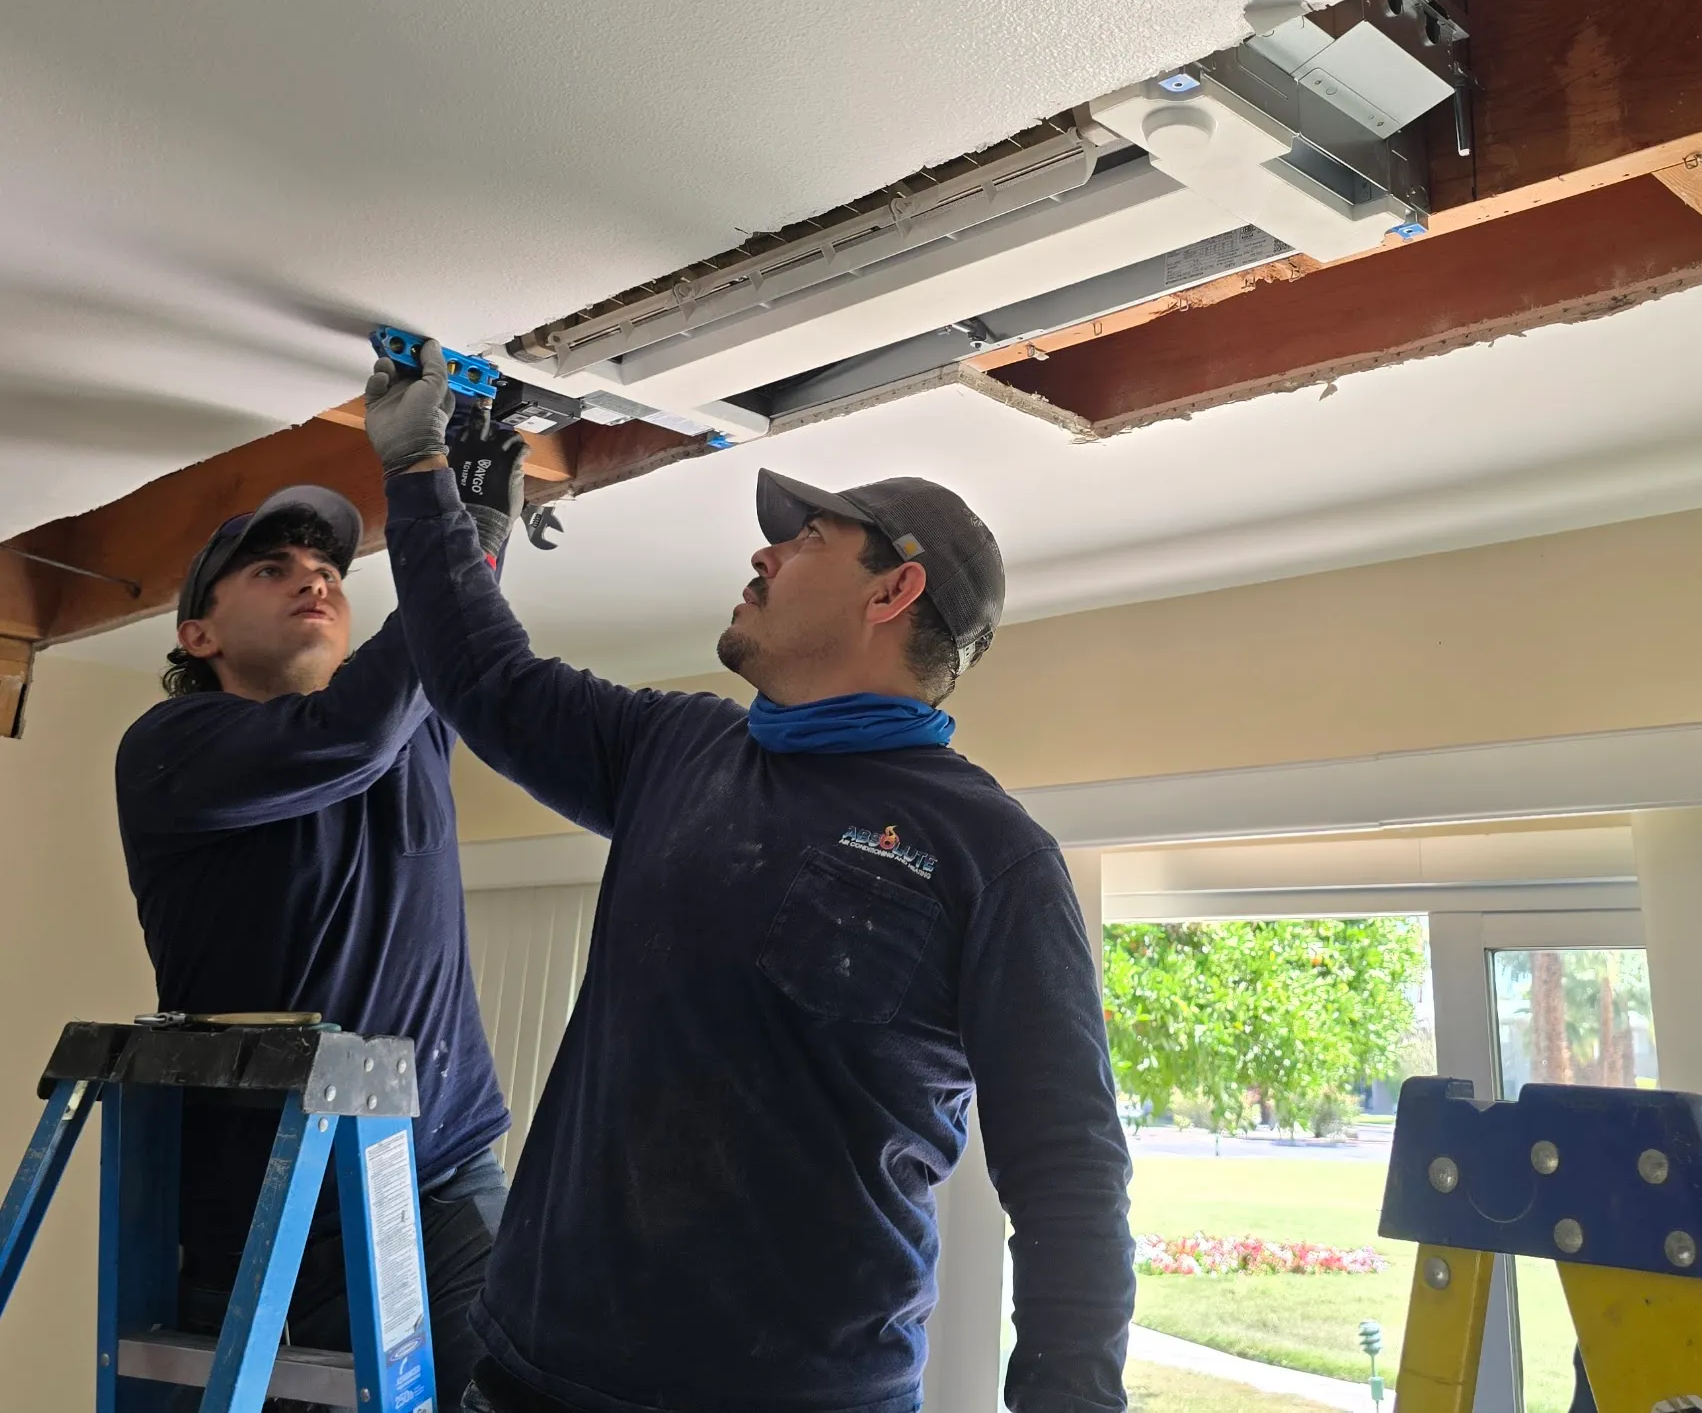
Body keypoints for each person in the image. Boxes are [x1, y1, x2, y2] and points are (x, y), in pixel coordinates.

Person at [362, 340, 1133, 1413]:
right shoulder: (676, 749)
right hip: (530, 1373)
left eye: (807, 537)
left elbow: (1067, 1171)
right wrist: (418, 476)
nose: (764, 555)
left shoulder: (989, 856)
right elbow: (484, 679)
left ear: (895, 590)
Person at [115, 462, 526, 1411]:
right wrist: (449, 531)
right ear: (199, 635)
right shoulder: (172, 745)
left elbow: (438, 659)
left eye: (328, 567)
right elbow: (351, 735)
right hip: (272, 1202)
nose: (317, 577)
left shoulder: (406, 733)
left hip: (443, 1172)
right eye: (271, 569)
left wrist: (474, 534)